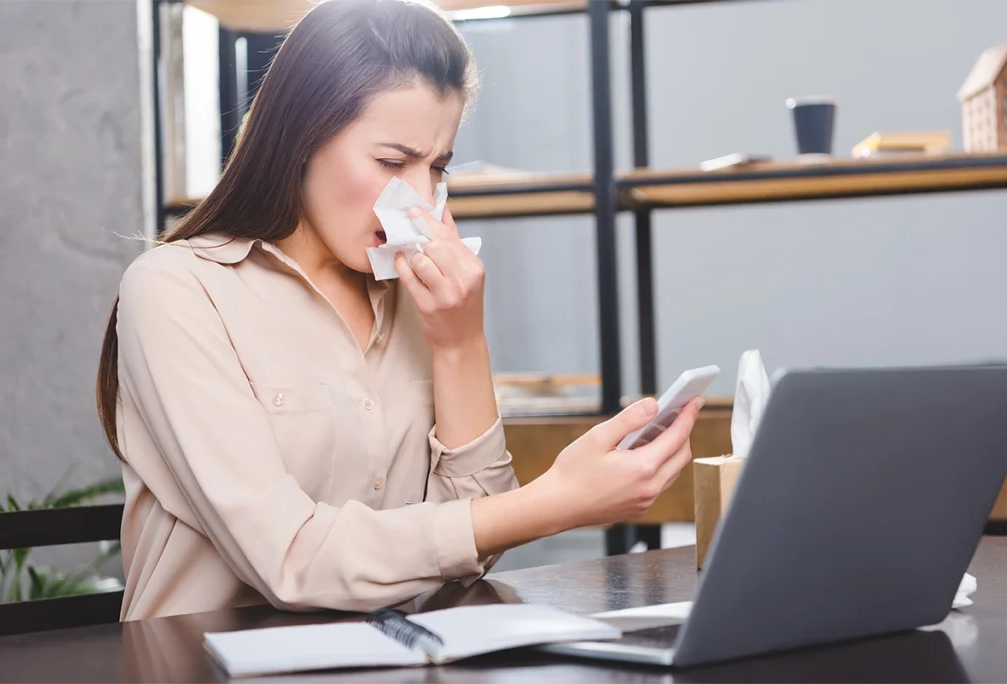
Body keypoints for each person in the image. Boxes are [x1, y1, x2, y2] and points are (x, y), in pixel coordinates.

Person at [95, 0, 702, 622]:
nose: (417, 200)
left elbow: (474, 544)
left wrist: (460, 342)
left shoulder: (418, 300)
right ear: (300, 139)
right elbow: (291, 560)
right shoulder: (177, 291)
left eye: (436, 167)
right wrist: (557, 502)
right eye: (392, 163)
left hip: (398, 657)